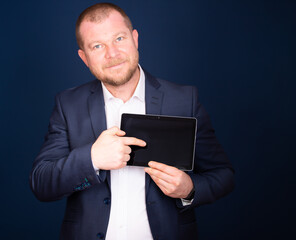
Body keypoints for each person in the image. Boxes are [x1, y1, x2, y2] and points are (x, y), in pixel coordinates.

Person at [30, 3, 234, 240]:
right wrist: (93, 158)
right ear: (84, 57)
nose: (112, 53)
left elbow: (223, 176)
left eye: (119, 38)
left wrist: (188, 189)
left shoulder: (184, 100)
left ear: (135, 38)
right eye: (97, 46)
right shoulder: (68, 104)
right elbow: (41, 183)